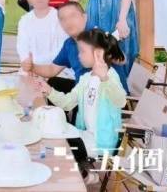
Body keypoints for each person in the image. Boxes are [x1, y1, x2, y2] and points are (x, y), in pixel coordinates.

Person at [34, 29, 126, 183]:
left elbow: (121, 101)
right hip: (85, 135)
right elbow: (68, 103)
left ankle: (83, 175)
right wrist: (48, 90)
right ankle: (83, 173)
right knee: (51, 134)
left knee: (61, 145)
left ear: (98, 53)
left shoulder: (110, 77)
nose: (79, 55)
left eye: (82, 51)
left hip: (102, 142)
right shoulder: (86, 79)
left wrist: (105, 78)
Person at [16, 0, 74, 90]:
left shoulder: (59, 18)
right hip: (32, 70)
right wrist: (27, 62)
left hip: (57, 71)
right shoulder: (24, 20)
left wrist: (40, 69)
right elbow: (22, 46)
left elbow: (62, 51)